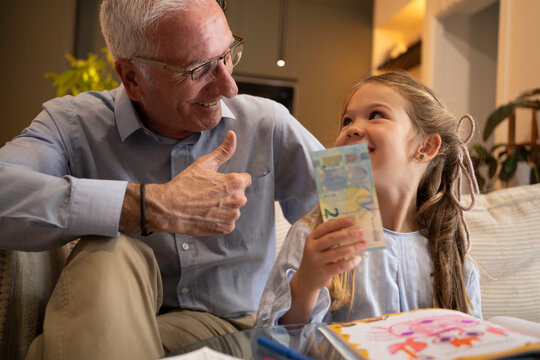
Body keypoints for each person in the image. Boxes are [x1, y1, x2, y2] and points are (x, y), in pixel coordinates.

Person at [0, 0, 323, 358]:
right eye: (198, 69)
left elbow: (357, 213)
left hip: (235, 331)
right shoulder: (74, 125)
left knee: (51, 346)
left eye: (228, 54)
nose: (229, 87)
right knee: (109, 251)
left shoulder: (267, 123)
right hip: (121, 318)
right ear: (132, 78)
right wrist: (148, 205)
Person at [255, 71, 482, 329]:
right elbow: (269, 343)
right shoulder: (314, 237)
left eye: (376, 115)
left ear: (426, 146)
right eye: (347, 120)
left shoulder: (449, 254)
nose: (352, 129)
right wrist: (306, 283)